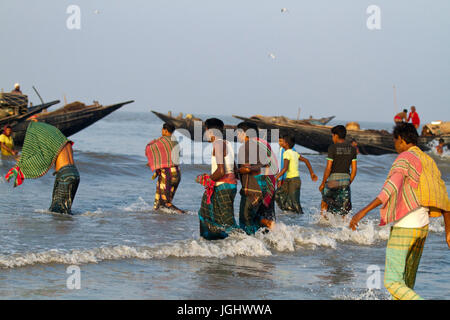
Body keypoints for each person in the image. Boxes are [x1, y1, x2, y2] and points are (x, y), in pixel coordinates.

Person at [349, 123, 450, 300]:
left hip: (406, 225)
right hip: (422, 228)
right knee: (406, 284)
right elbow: (441, 195)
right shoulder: (427, 160)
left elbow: (390, 188)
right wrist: (448, 231)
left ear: (401, 140)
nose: (395, 145)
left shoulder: (405, 158)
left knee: (393, 282)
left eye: (395, 141)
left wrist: (362, 212)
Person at [5, 121, 80, 215]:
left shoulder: (52, 145)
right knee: (65, 212)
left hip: (64, 176)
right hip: (75, 174)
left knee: (58, 213)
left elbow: (40, 161)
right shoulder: (64, 141)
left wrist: (20, 165)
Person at [197, 118, 239, 240]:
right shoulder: (227, 143)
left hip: (222, 186)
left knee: (227, 222)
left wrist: (206, 179)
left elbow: (221, 171)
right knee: (214, 214)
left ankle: (247, 244)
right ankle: (218, 243)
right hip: (229, 186)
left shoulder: (218, 144)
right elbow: (234, 168)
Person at [236, 121, 278, 234]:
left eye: (238, 133)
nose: (237, 136)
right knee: (260, 218)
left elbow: (248, 168)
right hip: (267, 187)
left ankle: (251, 245)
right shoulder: (263, 145)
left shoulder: (246, 147)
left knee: (246, 219)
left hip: (252, 189)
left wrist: (236, 171)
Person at [319, 125, 357, 217]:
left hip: (333, 181)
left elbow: (328, 168)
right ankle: (343, 228)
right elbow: (354, 169)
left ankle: (323, 223)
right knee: (345, 208)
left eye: (332, 136)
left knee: (325, 202)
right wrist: (349, 181)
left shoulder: (332, 148)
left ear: (335, 135)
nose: (332, 138)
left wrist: (323, 183)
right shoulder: (352, 149)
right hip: (346, 180)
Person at [145, 123, 183, 213]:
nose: (161, 131)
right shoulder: (175, 141)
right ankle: (164, 221)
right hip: (177, 174)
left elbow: (149, 148)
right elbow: (167, 155)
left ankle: (181, 213)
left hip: (167, 174)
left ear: (165, 130)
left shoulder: (161, 141)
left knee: (165, 203)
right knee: (163, 203)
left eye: (162, 129)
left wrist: (152, 162)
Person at [275, 134, 318, 214]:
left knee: (295, 202)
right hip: (292, 180)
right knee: (278, 194)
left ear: (286, 143)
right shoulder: (294, 152)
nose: (280, 143)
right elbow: (306, 161)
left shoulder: (287, 153)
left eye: (282, 142)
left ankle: (301, 217)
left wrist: (276, 178)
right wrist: (312, 173)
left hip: (292, 181)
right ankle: (290, 211)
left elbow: (285, 168)